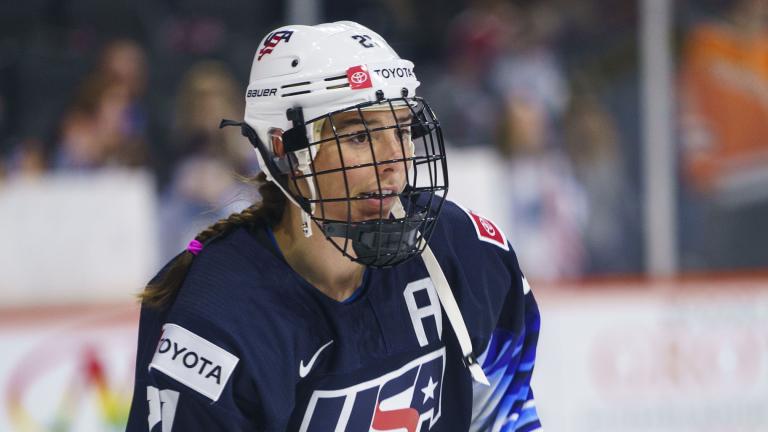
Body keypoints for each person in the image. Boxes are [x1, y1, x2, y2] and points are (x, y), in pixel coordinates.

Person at [126, 21, 541, 431]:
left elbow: (506, 417)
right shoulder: (218, 323)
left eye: (401, 129)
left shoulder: (465, 253)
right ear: (283, 151)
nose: (393, 161)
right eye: (360, 136)